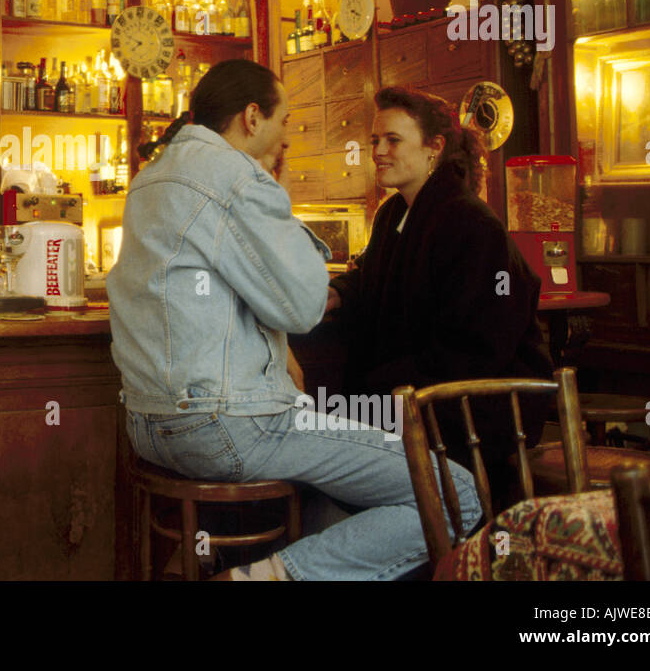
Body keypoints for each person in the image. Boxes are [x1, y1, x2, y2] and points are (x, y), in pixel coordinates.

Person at [112, 59, 479, 581]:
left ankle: (224, 561)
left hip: (149, 427)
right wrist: (272, 190)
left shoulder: (152, 176)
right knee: (455, 492)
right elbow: (305, 305)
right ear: (252, 116)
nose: (287, 138)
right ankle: (263, 578)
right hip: (230, 427)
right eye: (285, 122)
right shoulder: (236, 177)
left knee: (337, 487)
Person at [328, 86, 552, 506]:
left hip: (474, 410)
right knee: (333, 428)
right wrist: (336, 294)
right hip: (416, 395)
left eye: (392, 140)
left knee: (337, 431)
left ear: (435, 148)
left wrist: (379, 390)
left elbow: (477, 349)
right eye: (375, 140)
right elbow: (371, 277)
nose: (377, 151)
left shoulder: (470, 222)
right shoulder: (394, 212)